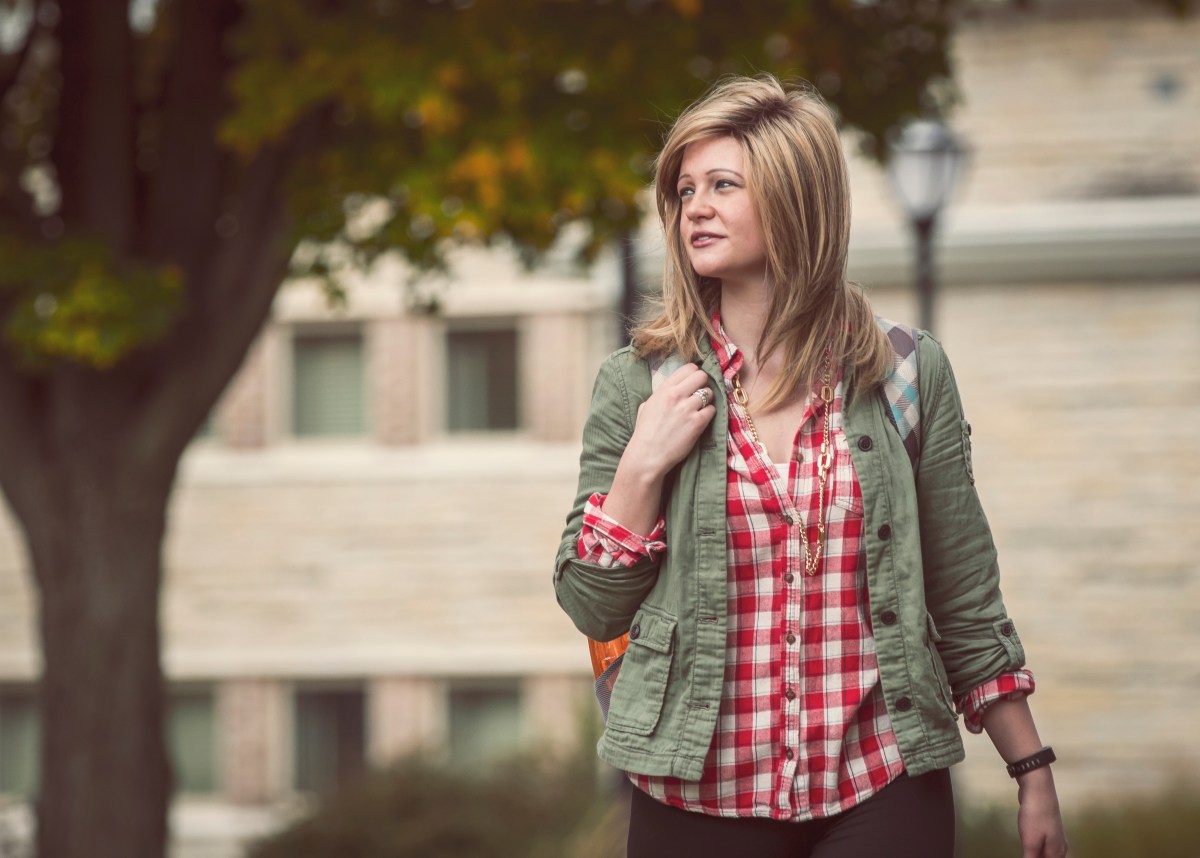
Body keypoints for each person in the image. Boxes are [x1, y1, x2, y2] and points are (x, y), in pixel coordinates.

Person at [553, 75, 1068, 858]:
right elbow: (592, 605)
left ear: (795, 197)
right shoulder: (640, 384)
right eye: (685, 189)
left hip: (881, 783)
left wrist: (1030, 769)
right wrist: (641, 465)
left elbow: (962, 591)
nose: (695, 208)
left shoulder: (904, 372)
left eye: (723, 185)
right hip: (697, 791)